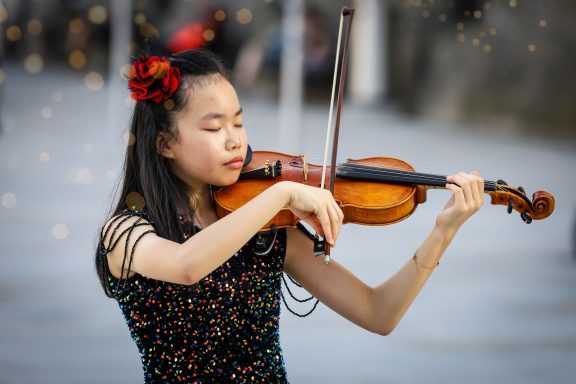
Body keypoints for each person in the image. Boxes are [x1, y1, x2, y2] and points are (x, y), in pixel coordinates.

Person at [95, 49, 485, 383]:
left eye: (239, 122)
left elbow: (378, 313)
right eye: (214, 127)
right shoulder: (126, 232)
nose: (236, 140)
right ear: (164, 143)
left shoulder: (266, 232)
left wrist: (443, 230)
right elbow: (186, 266)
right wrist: (283, 192)